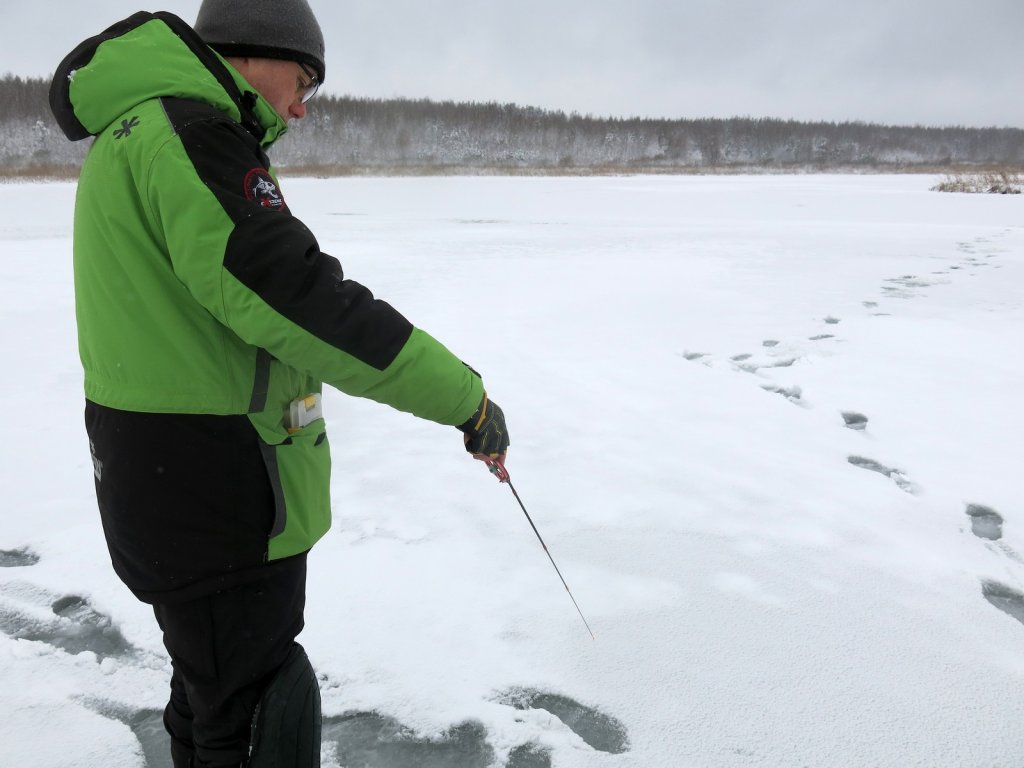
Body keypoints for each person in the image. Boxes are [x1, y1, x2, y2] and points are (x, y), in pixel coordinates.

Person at [48, 1, 509, 765]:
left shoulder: (133, 128)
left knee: (211, 688)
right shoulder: (194, 134)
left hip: (163, 473)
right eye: (301, 82)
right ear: (250, 54)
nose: (299, 109)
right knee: (258, 710)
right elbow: (298, 300)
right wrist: (466, 399)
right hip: (218, 482)